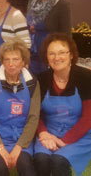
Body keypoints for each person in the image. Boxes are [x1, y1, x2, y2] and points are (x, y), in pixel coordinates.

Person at [0, 39, 40, 176]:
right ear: (2, 61)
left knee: (26, 166)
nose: (11, 64)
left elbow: (33, 117)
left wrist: (19, 147)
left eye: (16, 59)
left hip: (21, 138)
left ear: (24, 62)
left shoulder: (33, 83)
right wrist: (0, 148)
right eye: (7, 59)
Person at [33, 33, 91, 176]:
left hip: (79, 134)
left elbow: (88, 117)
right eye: (51, 53)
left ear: (71, 55)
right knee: (41, 158)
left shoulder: (86, 77)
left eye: (61, 53)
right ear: (46, 57)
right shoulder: (41, 79)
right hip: (49, 132)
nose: (56, 57)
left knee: (59, 160)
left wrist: (64, 141)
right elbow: (34, 113)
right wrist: (43, 133)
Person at [26, 0, 72, 75]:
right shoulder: (33, 1)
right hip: (32, 57)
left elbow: (66, 35)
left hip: (50, 57)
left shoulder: (62, 4)